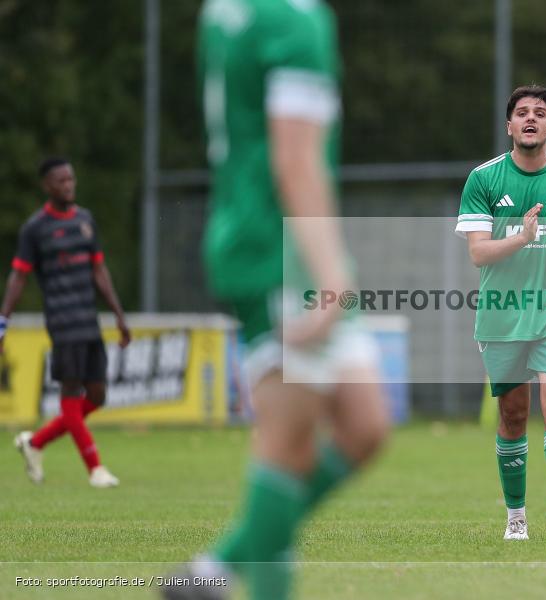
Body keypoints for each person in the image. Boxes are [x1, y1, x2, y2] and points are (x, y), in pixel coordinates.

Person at [164, 0, 389, 598]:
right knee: (287, 448)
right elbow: (295, 158)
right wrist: (330, 271)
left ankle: (213, 570)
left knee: (365, 425)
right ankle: (229, 575)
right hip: (278, 251)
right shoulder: (290, 22)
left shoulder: (229, 11)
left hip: (270, 241)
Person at [455, 85, 546, 540]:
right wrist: (521, 236)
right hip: (503, 313)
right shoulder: (484, 179)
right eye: (522, 113)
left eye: (539, 113)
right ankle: (516, 518)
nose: (530, 118)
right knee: (513, 415)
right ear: (509, 126)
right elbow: (479, 255)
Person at [2, 157, 131, 489]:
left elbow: (99, 270)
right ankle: (96, 469)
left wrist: (118, 314)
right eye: (61, 181)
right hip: (62, 322)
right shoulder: (35, 229)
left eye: (71, 179)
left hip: (89, 320)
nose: (68, 185)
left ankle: (36, 443)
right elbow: (19, 277)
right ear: (47, 186)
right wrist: (3, 320)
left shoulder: (85, 220)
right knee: (71, 394)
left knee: (98, 396)